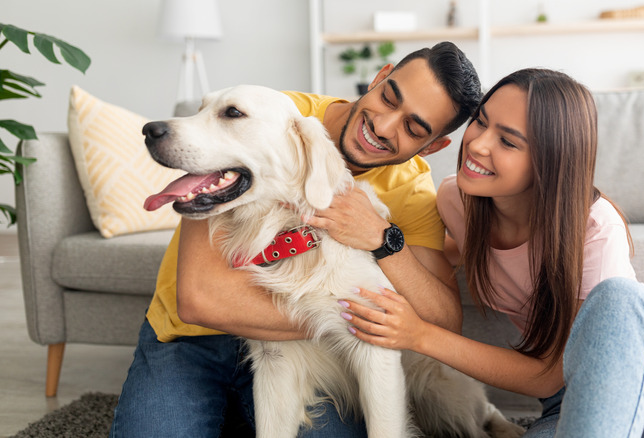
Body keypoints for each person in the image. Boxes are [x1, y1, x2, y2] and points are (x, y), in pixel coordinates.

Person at [340, 68, 644, 437]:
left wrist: (420, 334)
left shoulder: (595, 227)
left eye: (508, 141)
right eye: (481, 121)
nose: (477, 145)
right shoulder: (457, 201)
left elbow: (549, 373)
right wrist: (374, 235)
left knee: (619, 299)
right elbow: (430, 262)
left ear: (549, 161)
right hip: (567, 406)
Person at [110, 41, 482, 438]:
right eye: (389, 97)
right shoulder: (268, 114)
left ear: (433, 146)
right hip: (192, 338)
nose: (384, 126)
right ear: (379, 77)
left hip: (309, 351)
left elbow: (441, 321)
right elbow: (199, 301)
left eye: (413, 128)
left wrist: (382, 238)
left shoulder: (411, 189)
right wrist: (355, 319)